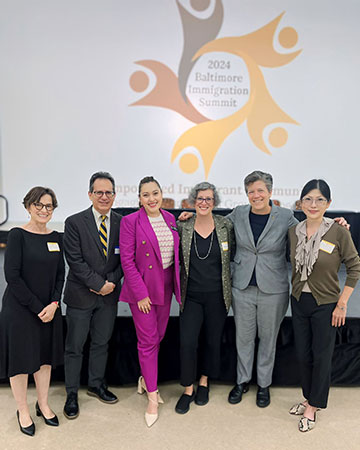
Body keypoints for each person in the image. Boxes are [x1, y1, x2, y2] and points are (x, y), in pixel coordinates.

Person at [288, 179, 360, 432]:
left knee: (321, 356)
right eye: (308, 198)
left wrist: (342, 304)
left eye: (320, 199)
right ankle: (308, 397)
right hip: (298, 300)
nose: (313, 204)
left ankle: (314, 407)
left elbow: (355, 267)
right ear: (300, 203)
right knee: (303, 354)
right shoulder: (294, 231)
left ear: (329, 203)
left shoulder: (339, 231)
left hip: (326, 304)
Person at [0, 187, 64, 436]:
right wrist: (39, 308)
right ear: (28, 207)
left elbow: (61, 275)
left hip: (49, 309)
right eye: (38, 205)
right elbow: (12, 277)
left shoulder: (56, 237)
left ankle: (44, 404)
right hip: (20, 310)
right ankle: (23, 410)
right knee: (20, 362)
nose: (43, 210)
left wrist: (54, 304)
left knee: (44, 359)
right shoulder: (17, 235)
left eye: (48, 206)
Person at [119, 176, 181, 427]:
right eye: (146, 195)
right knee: (147, 342)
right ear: (139, 199)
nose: (152, 198)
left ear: (161, 194)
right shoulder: (130, 221)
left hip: (166, 288)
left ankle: (145, 379)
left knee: (158, 337)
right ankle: (153, 397)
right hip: (143, 291)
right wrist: (140, 293)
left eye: (155, 193)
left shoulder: (170, 218)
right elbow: (127, 261)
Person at [63, 171, 122, 419]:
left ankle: (96, 385)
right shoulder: (74, 222)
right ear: (90, 194)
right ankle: (72, 394)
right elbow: (75, 261)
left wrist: (110, 282)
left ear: (115, 195)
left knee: (101, 343)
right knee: (75, 347)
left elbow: (126, 258)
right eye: (99, 192)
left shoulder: (122, 222)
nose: (104, 196)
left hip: (109, 296)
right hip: (81, 296)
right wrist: (98, 284)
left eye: (108, 192)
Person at [175, 182, 234, 415]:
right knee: (188, 343)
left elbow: (234, 255)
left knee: (212, 341)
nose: (204, 203)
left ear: (215, 202)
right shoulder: (183, 225)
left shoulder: (225, 225)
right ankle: (188, 388)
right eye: (200, 198)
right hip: (190, 296)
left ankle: (203, 383)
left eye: (209, 199)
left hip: (218, 296)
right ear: (193, 200)